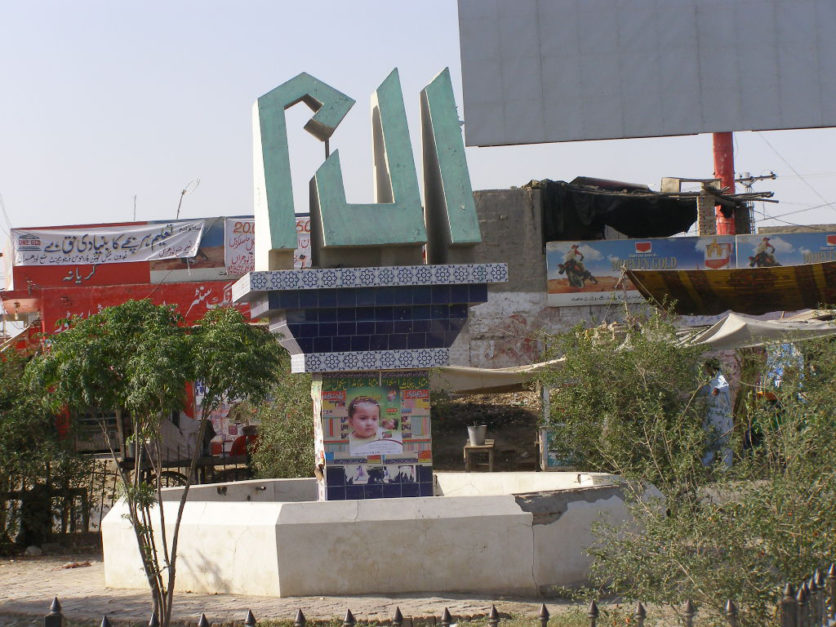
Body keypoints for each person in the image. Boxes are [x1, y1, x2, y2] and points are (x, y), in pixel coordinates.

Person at [699, 359, 733, 467]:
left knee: (724, 441)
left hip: (721, 416)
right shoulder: (709, 380)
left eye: (707, 368)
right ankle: (706, 465)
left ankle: (726, 467)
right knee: (710, 440)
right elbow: (704, 391)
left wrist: (717, 390)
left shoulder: (720, 378)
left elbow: (723, 387)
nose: (706, 370)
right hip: (712, 415)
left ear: (712, 368)